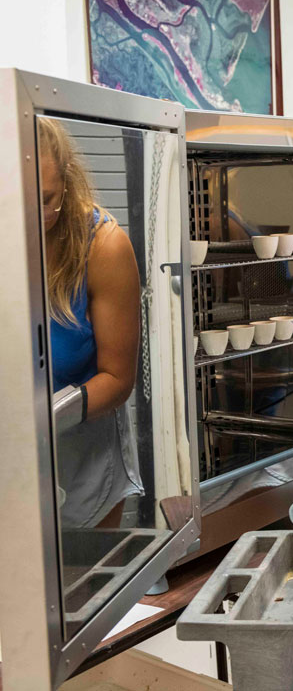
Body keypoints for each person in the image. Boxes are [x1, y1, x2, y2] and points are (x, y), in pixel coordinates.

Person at [39, 117, 143, 529]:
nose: (33, 214)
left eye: (46, 199)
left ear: (66, 183)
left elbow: (117, 378)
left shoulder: (102, 246)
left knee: (86, 583)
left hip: (83, 450)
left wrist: (41, 422)